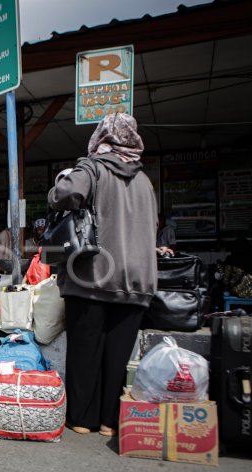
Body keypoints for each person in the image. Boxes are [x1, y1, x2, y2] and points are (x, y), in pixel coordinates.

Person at [47, 113, 157, 437]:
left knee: (86, 350)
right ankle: (110, 421)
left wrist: (67, 176)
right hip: (136, 280)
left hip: (94, 276)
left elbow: (63, 195)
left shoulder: (94, 167)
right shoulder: (145, 181)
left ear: (102, 136)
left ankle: (83, 419)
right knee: (117, 356)